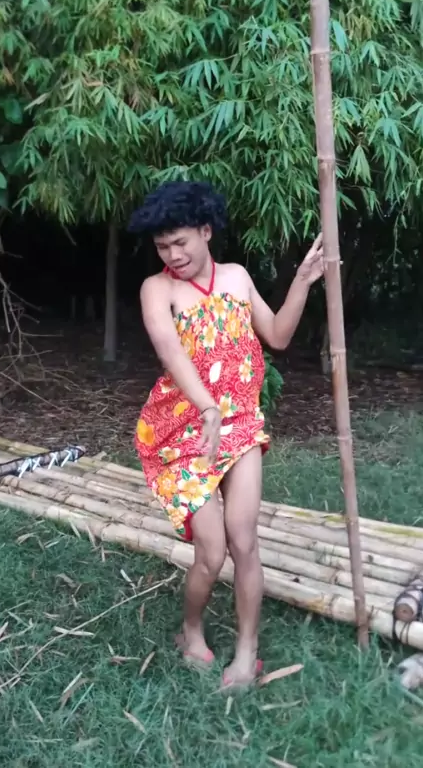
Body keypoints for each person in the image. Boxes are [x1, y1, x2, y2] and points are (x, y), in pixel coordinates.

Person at [128, 181, 324, 689]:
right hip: (182, 432)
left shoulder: (236, 277)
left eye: (181, 243)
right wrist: (207, 407)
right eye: (163, 247)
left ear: (206, 231)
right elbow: (171, 352)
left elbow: (277, 335)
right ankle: (191, 629)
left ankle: (246, 651)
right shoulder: (158, 289)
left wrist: (303, 281)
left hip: (240, 425)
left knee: (244, 541)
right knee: (211, 553)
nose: (173, 255)